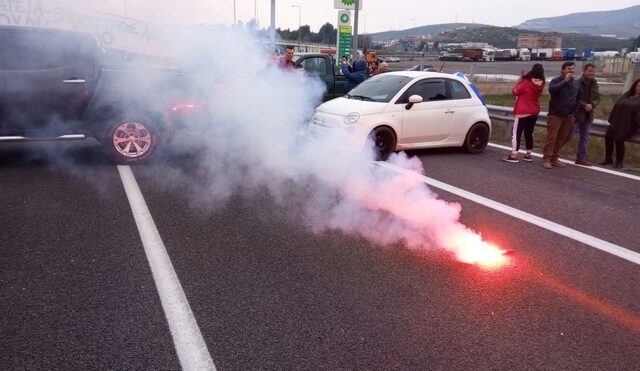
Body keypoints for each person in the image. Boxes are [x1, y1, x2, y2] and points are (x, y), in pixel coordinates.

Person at [503, 64, 545, 163]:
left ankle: (514, 155)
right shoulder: (541, 84)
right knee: (529, 133)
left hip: (523, 111)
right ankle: (528, 154)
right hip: (534, 111)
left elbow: (514, 92)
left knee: (516, 133)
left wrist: (520, 80)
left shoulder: (527, 83)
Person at [542, 62, 579, 169]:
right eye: (569, 68)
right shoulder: (556, 80)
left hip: (568, 116)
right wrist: (564, 81)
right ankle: (547, 158)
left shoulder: (575, 83)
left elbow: (577, 99)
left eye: (572, 69)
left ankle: (554, 157)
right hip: (556, 114)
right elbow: (552, 90)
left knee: (561, 138)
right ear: (563, 70)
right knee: (552, 138)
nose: (571, 70)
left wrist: (574, 113)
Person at [599, 78, 640, 169]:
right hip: (617, 121)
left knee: (618, 139)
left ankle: (619, 162)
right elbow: (617, 105)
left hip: (630, 125)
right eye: (639, 86)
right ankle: (608, 159)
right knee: (608, 136)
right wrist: (613, 119)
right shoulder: (627, 95)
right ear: (635, 86)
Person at [564, 63, 600, 166]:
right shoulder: (577, 82)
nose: (591, 73)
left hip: (588, 115)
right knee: (569, 135)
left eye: (593, 71)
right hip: (577, 114)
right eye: (589, 71)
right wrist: (584, 105)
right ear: (584, 71)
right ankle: (553, 152)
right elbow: (573, 97)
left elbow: (598, 98)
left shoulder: (594, 83)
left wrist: (592, 105)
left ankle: (581, 158)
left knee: (585, 137)